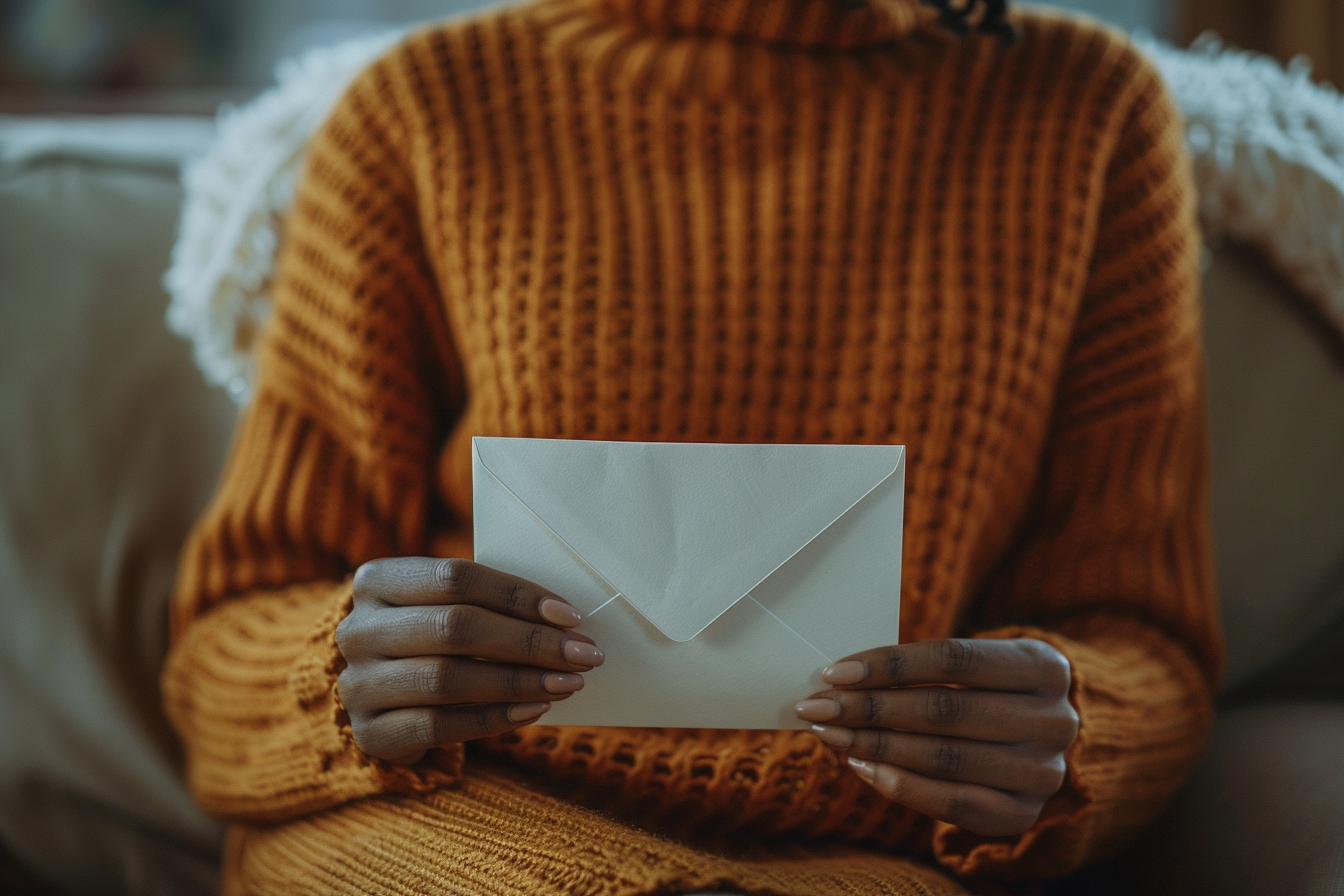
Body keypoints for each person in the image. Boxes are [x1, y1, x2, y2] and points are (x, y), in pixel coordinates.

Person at [162, 0, 1223, 892]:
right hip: (446, 816)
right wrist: (339, 681)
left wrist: (1070, 741)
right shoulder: (426, 107)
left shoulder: (1086, 114)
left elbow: (1146, 638)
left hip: (863, 848)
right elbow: (224, 642)